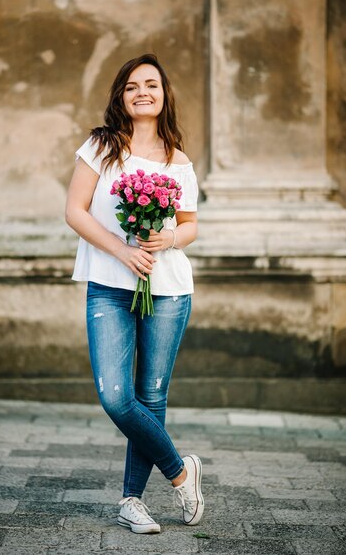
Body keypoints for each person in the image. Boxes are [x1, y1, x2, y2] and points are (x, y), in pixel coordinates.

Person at [65, 53, 203, 534]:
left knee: (151, 395)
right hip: (108, 286)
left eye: (151, 84)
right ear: (121, 96)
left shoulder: (177, 160)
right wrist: (123, 253)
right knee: (117, 397)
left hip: (166, 291)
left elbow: (189, 227)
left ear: (164, 95)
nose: (142, 92)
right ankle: (181, 473)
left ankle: (132, 500)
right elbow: (75, 211)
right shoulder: (101, 146)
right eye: (131, 86)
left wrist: (166, 239)